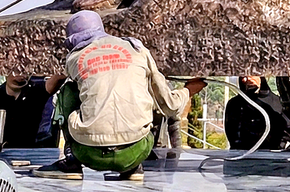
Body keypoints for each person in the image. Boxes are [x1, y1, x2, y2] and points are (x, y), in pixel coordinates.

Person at [35, 10, 206, 181]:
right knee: (142, 85)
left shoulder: (74, 57)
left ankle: (71, 162)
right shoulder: (138, 49)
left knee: (69, 90)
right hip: (137, 150)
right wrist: (188, 90)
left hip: (88, 153)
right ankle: (134, 168)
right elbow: (169, 105)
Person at [225, 76, 290, 151]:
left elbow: (288, 131)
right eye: (243, 77)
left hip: (271, 157)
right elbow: (231, 132)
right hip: (240, 156)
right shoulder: (234, 104)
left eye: (251, 75)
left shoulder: (277, 102)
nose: (246, 79)